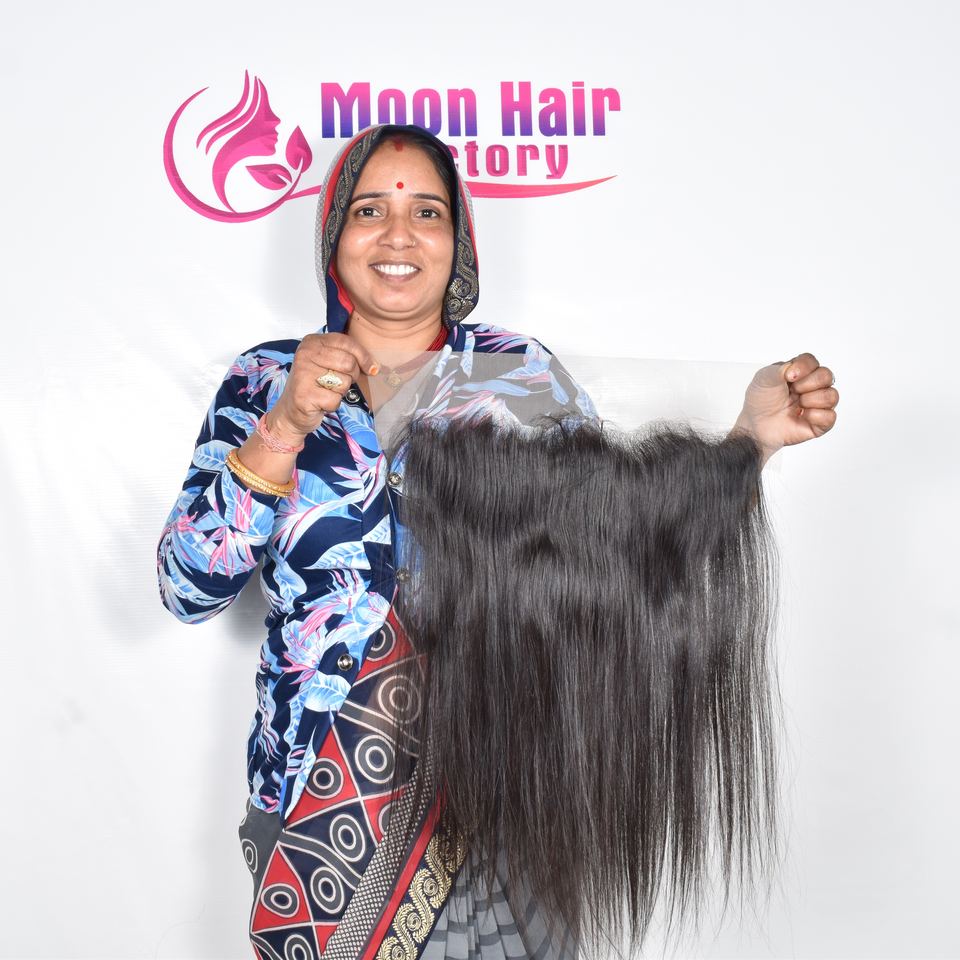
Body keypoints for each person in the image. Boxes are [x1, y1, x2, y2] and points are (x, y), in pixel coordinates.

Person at [157, 122, 838, 960]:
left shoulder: (522, 375)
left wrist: (750, 442)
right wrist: (287, 424)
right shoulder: (262, 379)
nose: (398, 234)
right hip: (317, 808)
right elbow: (189, 586)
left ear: (460, 242)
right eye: (370, 209)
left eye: (427, 211)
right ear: (334, 236)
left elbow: (622, 556)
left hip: (510, 796)